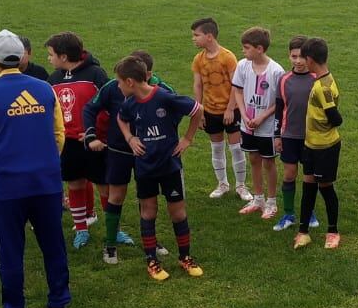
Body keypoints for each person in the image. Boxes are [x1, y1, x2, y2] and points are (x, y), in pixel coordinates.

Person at [0, 30, 68, 308]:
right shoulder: (45, 89)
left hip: (7, 186)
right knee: (53, 245)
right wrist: (47, 164)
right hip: (46, 183)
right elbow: (59, 135)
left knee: (9, 251)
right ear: (23, 58)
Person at [114, 55, 206, 281]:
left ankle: (185, 257)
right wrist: (130, 138)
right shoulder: (130, 103)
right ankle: (152, 261)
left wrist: (187, 139)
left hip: (170, 165)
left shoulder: (163, 96)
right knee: (148, 211)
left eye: (118, 81)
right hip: (145, 167)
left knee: (178, 212)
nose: (117, 86)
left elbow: (197, 109)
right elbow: (121, 118)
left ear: (129, 82)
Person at [82, 51, 166, 264]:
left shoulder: (161, 89)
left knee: (147, 197)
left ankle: (151, 240)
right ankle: (110, 245)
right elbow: (90, 108)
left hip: (147, 153)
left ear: (148, 74)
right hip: (119, 151)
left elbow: (179, 109)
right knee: (116, 195)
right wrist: (91, 135)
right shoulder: (113, 87)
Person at [46, 32, 109, 249]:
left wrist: (97, 133)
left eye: (51, 54)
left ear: (64, 56)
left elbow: (110, 103)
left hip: (93, 141)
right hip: (68, 142)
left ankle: (114, 230)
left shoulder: (95, 73)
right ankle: (81, 229)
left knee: (104, 186)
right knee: (75, 184)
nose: (49, 59)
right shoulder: (53, 79)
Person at [191, 17, 250, 201]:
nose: (193, 38)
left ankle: (241, 186)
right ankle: (222, 184)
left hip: (230, 110)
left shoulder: (227, 57)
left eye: (196, 35)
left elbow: (236, 84)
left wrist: (230, 108)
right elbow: (198, 85)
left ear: (209, 36)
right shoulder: (198, 59)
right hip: (210, 111)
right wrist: (199, 111)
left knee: (236, 148)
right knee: (216, 148)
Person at [294, 37, 345, 249]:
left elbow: (336, 118)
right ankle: (303, 232)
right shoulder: (323, 79)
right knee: (308, 187)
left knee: (325, 187)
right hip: (311, 145)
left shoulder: (322, 87)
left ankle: (333, 231)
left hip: (326, 147)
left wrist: (324, 126)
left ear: (310, 60)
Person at [231, 27, 286, 220]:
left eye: (246, 48)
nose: (243, 52)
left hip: (267, 127)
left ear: (260, 49)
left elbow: (279, 102)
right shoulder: (243, 66)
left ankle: (271, 202)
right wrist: (244, 115)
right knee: (253, 159)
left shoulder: (276, 71)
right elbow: (237, 91)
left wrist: (262, 117)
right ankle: (258, 198)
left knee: (268, 162)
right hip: (247, 124)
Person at [273, 36, 321, 232]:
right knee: (289, 174)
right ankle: (289, 213)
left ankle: (309, 212)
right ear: (289, 56)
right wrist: (277, 135)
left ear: (309, 58)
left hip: (311, 137)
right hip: (289, 136)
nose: (298, 61)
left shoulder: (316, 79)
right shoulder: (284, 80)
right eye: (294, 56)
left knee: (309, 176)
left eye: (302, 57)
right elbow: (278, 109)